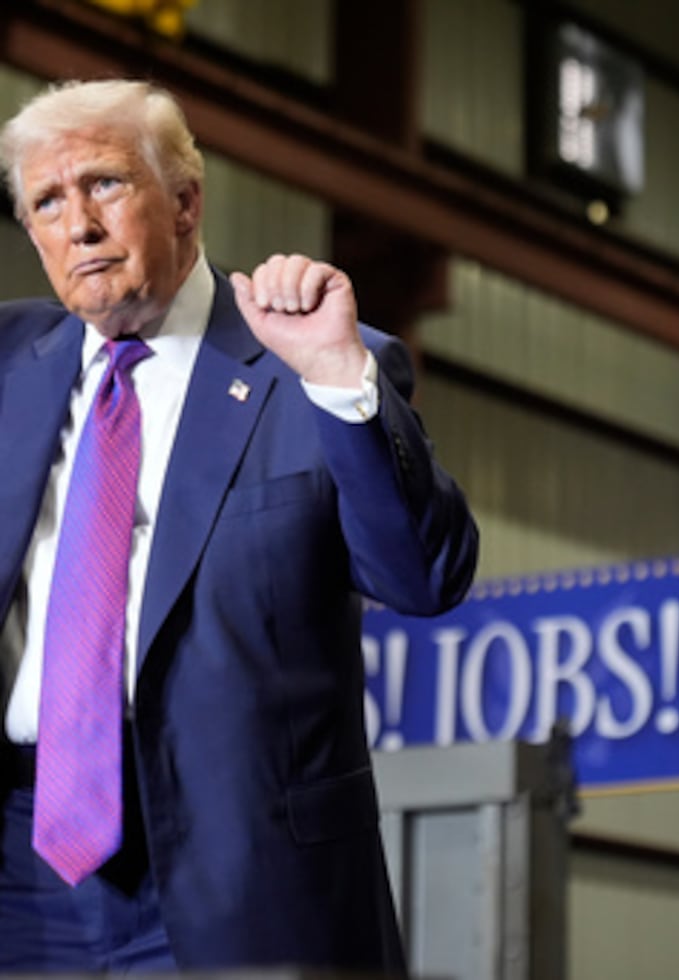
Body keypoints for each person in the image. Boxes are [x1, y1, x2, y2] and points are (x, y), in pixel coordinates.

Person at [0, 77, 478, 974]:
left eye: (103, 184)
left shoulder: (313, 364)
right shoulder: (6, 369)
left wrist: (338, 377)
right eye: (47, 203)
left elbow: (424, 575)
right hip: (21, 871)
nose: (79, 226)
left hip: (245, 871)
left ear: (185, 201)